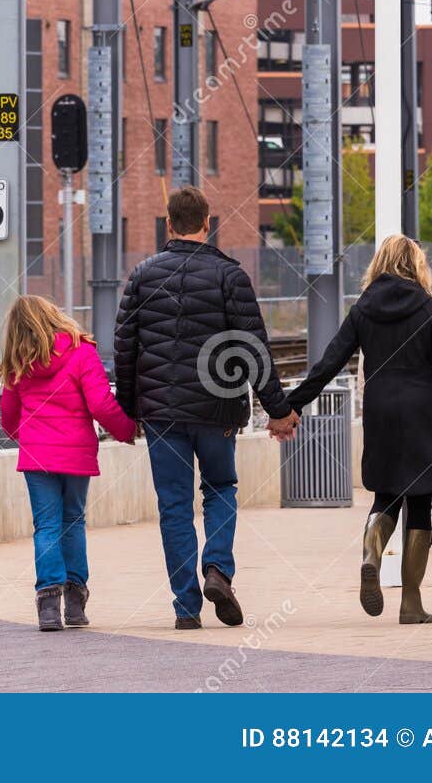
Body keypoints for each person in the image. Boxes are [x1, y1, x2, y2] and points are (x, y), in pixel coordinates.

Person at [113, 185, 299, 631]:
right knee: (219, 489)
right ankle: (217, 569)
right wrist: (277, 409)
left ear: (169, 223)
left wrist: (127, 411)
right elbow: (253, 346)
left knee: (174, 506)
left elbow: (124, 347)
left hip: (162, 415)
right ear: (207, 222)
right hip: (218, 409)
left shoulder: (142, 275)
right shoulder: (229, 276)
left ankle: (185, 608)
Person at [286, 235, 432, 626]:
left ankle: (371, 550)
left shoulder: (363, 309)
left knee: (386, 493)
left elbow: (330, 362)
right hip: (422, 411)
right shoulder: (431, 310)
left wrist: (291, 405)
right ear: (417, 265)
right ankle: (411, 604)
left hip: (380, 409)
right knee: (419, 504)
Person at [0, 294, 136, 632]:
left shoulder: (19, 362)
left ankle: (48, 605)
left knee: (46, 526)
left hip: (37, 457)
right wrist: (126, 430)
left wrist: (30, 438)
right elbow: (101, 404)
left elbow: (8, 417)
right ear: (54, 316)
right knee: (72, 521)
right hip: (76, 453)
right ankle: (75, 603)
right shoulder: (81, 352)